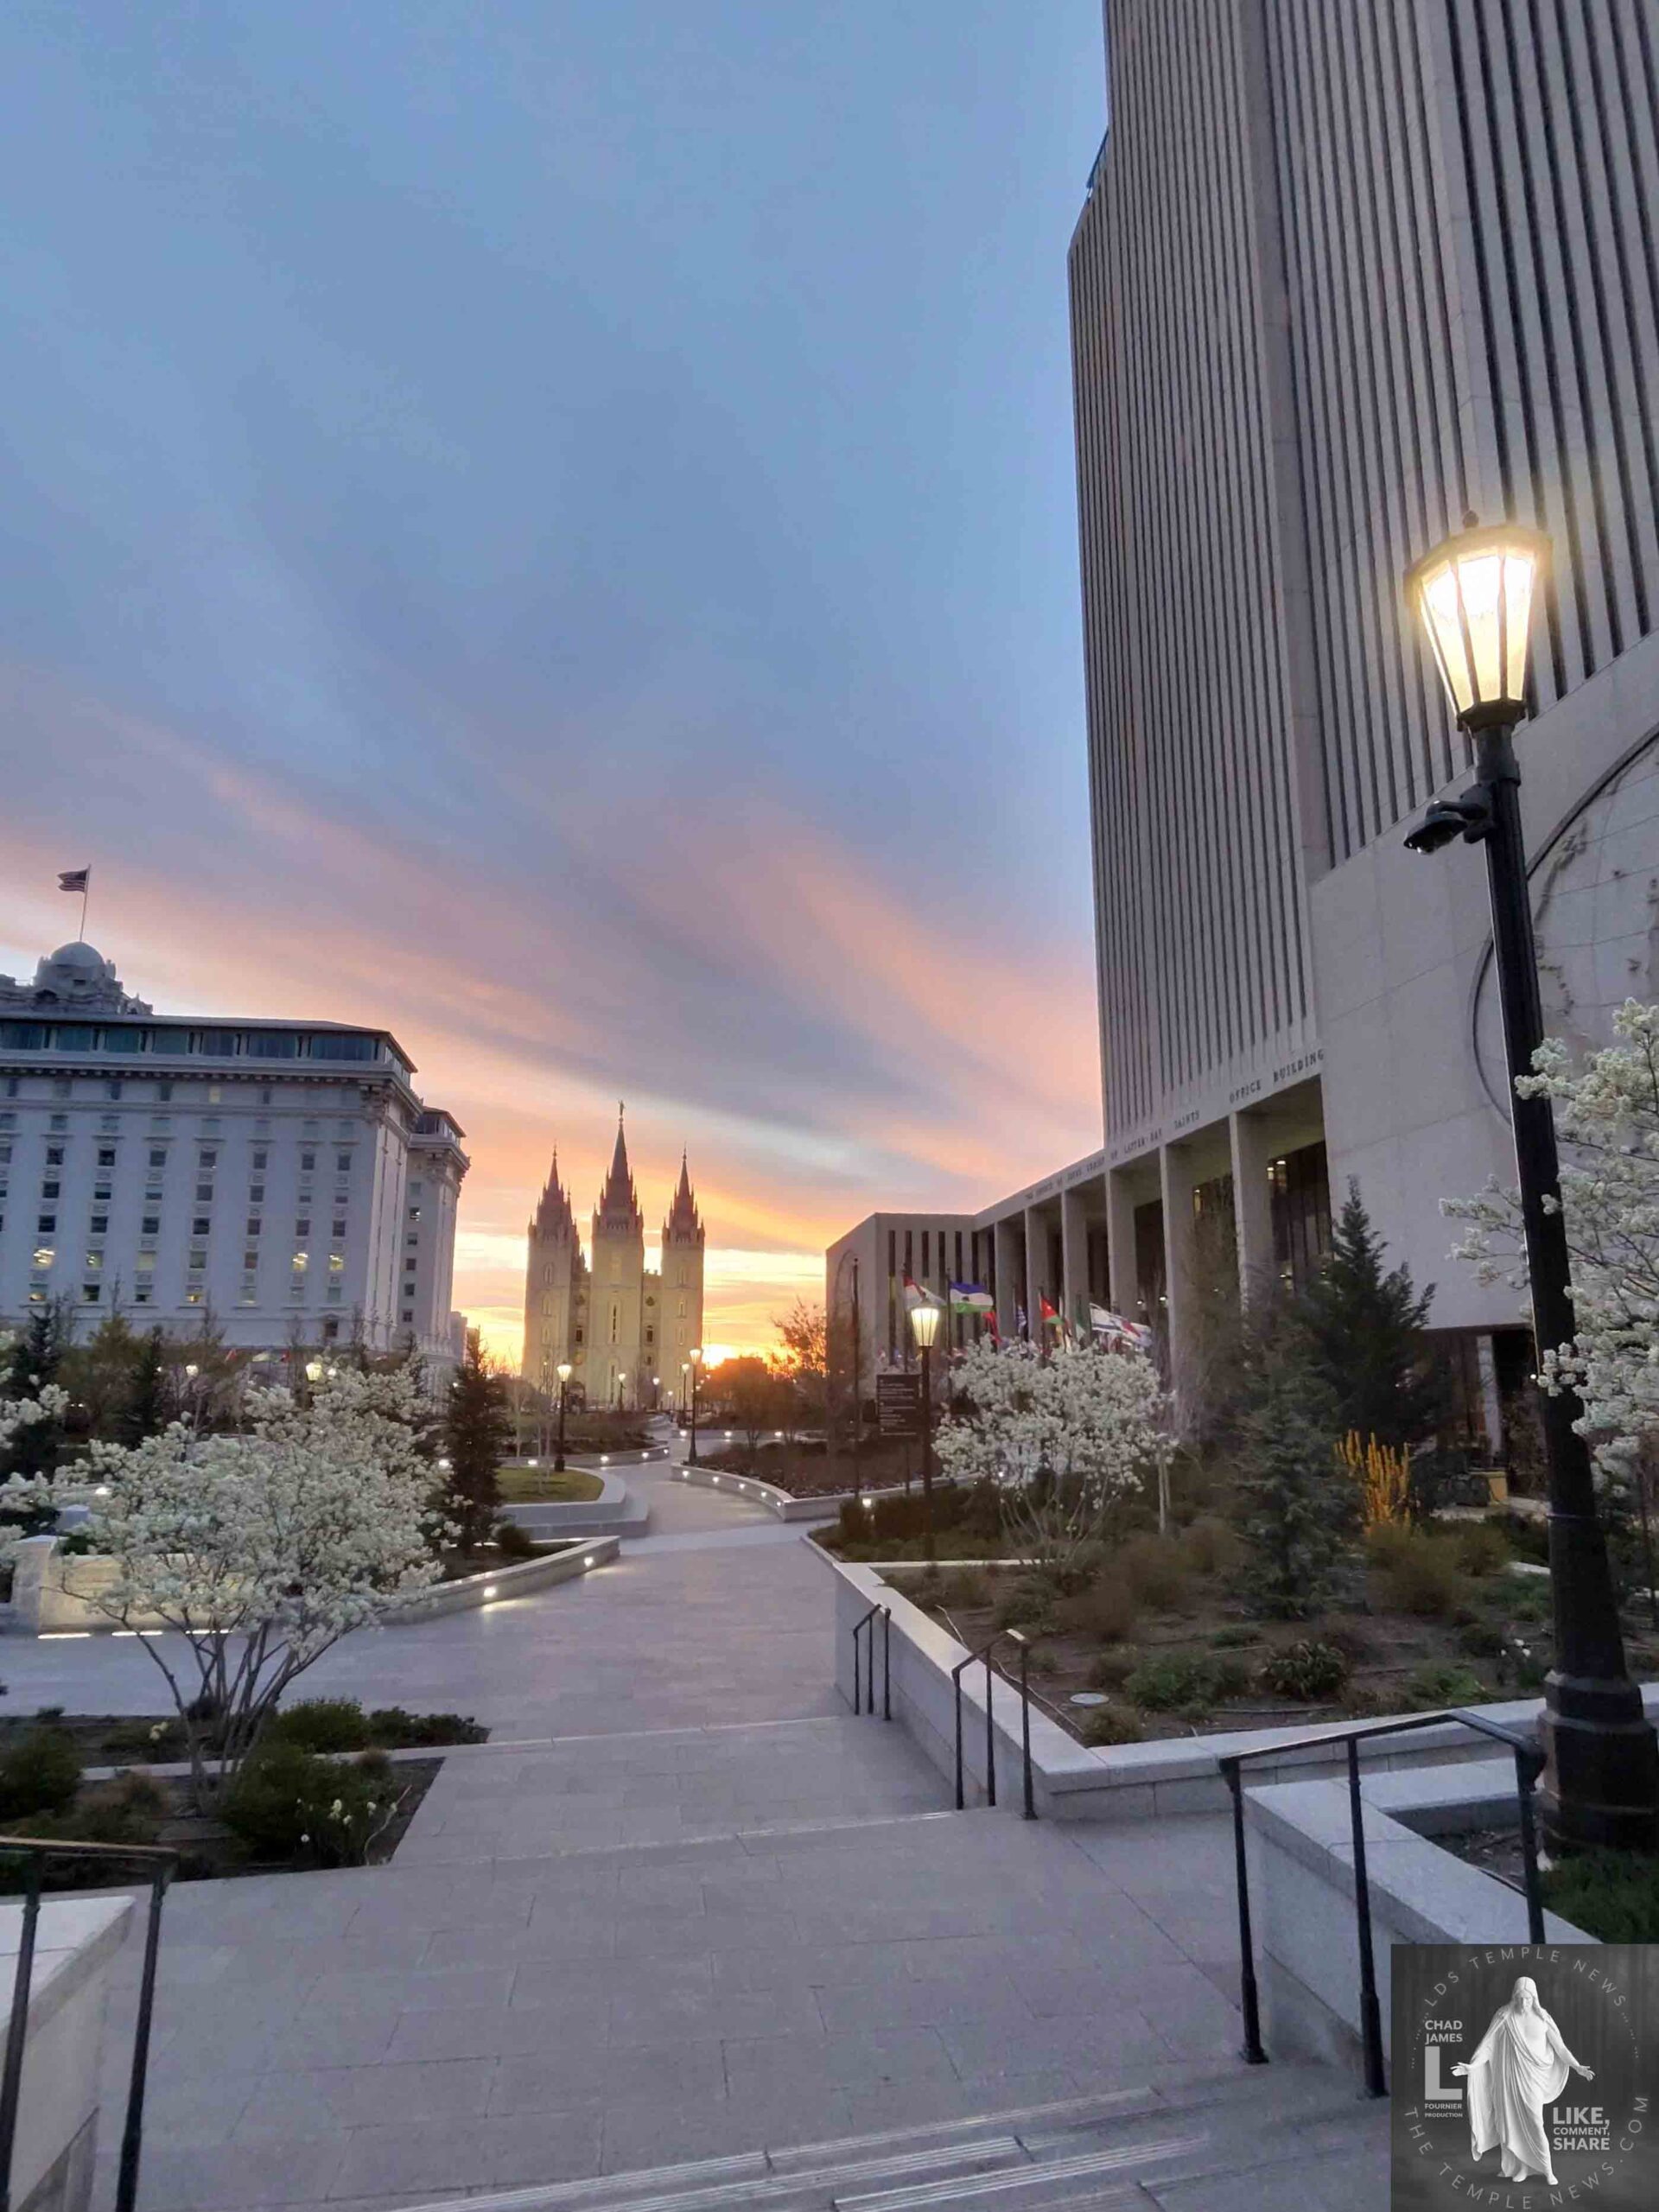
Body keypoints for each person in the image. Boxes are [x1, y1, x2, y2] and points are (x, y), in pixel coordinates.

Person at [1452, 1975, 1594, 2187]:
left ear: (1534, 1998)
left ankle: (1547, 2170)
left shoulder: (1543, 2018)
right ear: (1514, 1997)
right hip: (1509, 2080)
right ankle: (1521, 2168)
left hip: (1533, 2079)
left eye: (1527, 1999)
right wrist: (1471, 2067)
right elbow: (1488, 2047)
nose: (1523, 2003)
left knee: (1536, 2123)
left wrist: (1577, 2066)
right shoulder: (1504, 2017)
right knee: (1512, 2124)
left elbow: (1561, 2048)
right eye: (1519, 1998)